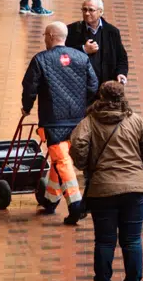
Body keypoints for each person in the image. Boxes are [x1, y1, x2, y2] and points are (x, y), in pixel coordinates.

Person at [70, 80, 143, 281]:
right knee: (132, 240)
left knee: (105, 242)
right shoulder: (135, 120)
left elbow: (78, 145)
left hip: (102, 190)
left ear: (101, 97)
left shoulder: (89, 122)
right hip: (135, 190)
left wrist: (85, 165)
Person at [21, 21, 99, 224]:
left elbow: (30, 87)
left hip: (53, 122)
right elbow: (93, 85)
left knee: (62, 161)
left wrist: (26, 107)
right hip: (78, 121)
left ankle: (75, 205)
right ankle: (50, 199)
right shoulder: (82, 57)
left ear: (49, 36)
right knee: (60, 159)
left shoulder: (41, 59)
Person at [65, 0, 130, 86]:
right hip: (81, 87)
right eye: (84, 10)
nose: (87, 13)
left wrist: (121, 73)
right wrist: (83, 49)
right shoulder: (72, 30)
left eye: (91, 10)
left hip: (105, 86)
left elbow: (121, 58)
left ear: (100, 12)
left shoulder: (112, 32)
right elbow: (63, 55)